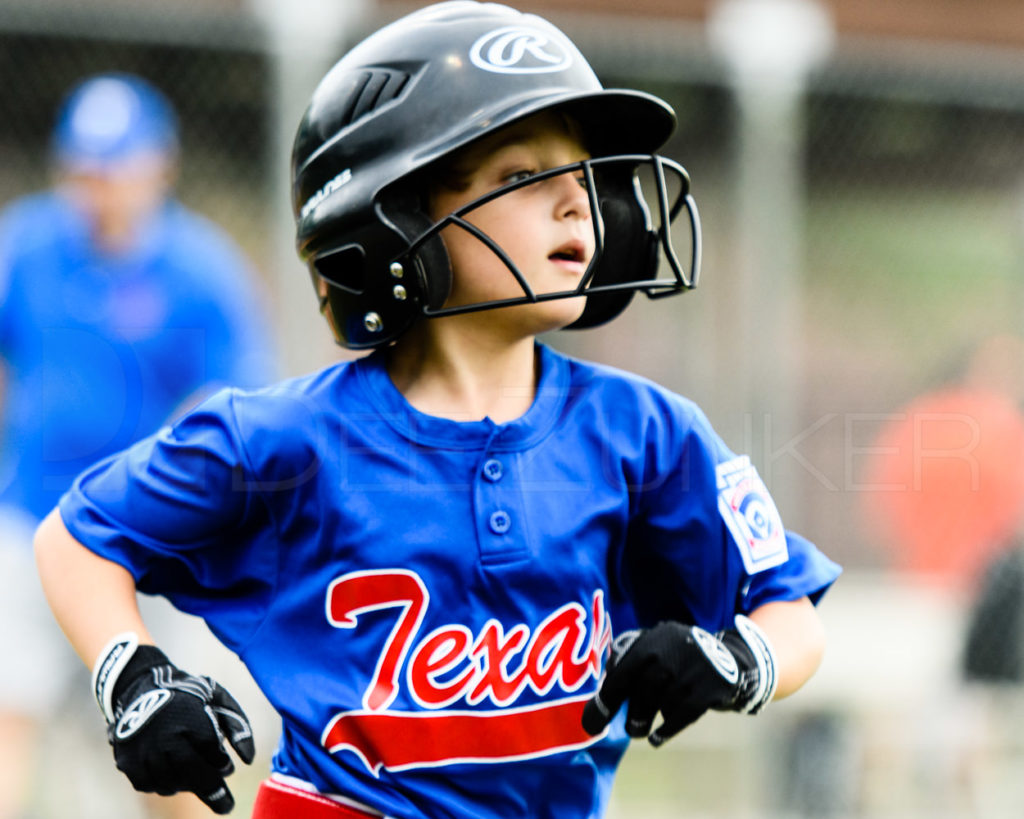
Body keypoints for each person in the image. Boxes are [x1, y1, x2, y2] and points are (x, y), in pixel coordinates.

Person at [34, 4, 841, 817]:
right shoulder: (287, 438)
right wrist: (131, 675)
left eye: (582, 175)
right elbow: (77, 536)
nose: (575, 202)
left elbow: (789, 608)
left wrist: (741, 660)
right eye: (523, 177)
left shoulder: (645, 434)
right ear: (399, 216)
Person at [0, 73, 277, 818]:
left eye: (115, 167)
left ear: (159, 164)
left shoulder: (200, 270)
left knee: (171, 747)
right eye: (85, 169)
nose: (99, 188)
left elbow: (231, 406)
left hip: (148, 543)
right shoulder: (27, 247)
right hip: (31, 517)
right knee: (5, 711)